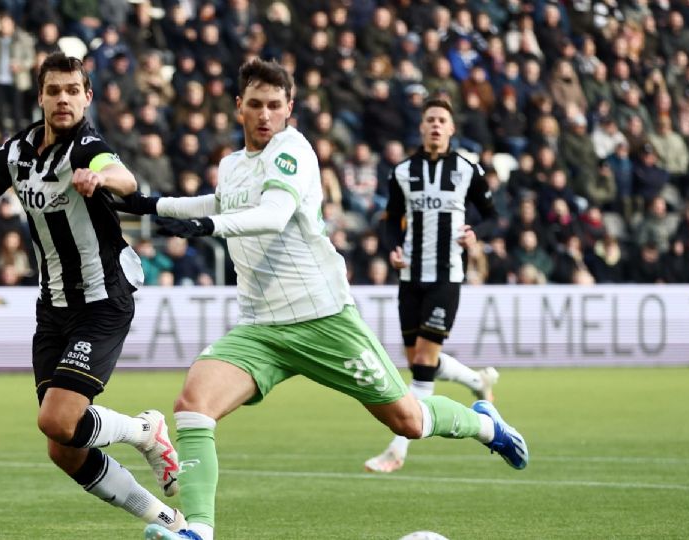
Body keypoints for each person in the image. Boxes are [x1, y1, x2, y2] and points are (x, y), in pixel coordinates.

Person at [115, 58, 529, 540]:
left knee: (410, 420)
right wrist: (147, 205)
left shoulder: (294, 150)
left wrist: (204, 228)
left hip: (323, 318)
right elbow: (218, 203)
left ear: (289, 108)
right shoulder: (232, 165)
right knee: (193, 402)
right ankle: (199, 532)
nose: (265, 114)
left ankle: (484, 424)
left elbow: (272, 213)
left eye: (275, 105)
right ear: (238, 108)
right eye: (255, 105)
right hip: (262, 328)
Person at [0, 52, 185, 533]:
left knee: (58, 421)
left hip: (103, 299)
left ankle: (146, 431)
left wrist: (100, 178)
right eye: (53, 90)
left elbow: (126, 180)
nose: (63, 99)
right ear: (40, 97)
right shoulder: (15, 153)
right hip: (54, 306)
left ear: (87, 97)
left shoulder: (87, 148)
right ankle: (167, 519)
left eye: (72, 91)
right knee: (62, 447)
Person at [363, 98, 505, 474]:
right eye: (430, 120)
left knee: (424, 362)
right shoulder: (404, 172)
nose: (437, 126)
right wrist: (393, 246)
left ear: (452, 128)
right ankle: (478, 380)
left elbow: (492, 217)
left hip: (446, 276)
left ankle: (397, 451)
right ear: (422, 128)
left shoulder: (467, 170)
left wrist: (476, 234)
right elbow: (390, 218)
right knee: (417, 361)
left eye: (443, 119)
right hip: (409, 277)